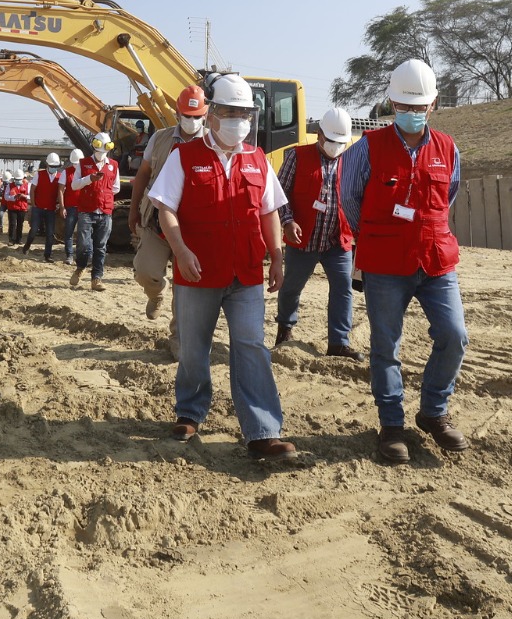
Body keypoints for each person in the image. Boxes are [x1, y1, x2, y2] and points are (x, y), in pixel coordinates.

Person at [147, 74, 296, 460]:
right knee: (194, 349)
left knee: (251, 347)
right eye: (230, 112)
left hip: (245, 273)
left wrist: (277, 256)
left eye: (244, 113)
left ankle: (263, 431)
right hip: (198, 273)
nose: (238, 120)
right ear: (212, 115)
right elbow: (165, 209)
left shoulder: (258, 159)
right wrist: (179, 250)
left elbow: (270, 212)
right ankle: (190, 411)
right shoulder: (184, 157)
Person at [339, 59, 470, 466]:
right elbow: (349, 199)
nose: (412, 114)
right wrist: (378, 236)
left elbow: (447, 195)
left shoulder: (447, 148)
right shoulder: (366, 148)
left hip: (435, 260)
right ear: (391, 103)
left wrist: (423, 229)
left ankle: (433, 412)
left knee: (454, 335)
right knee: (386, 347)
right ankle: (391, 425)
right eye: (404, 106)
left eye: (419, 108)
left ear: (432, 107)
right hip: (385, 266)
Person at [274, 107, 360, 359]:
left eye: (341, 142)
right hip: (303, 239)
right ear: (320, 134)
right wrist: (287, 221)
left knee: (343, 287)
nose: (336, 146)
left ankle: (339, 342)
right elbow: (280, 194)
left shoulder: (352, 161)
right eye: (332, 141)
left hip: (337, 239)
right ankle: (285, 329)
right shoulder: (296, 156)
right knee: (291, 286)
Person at [129, 84, 208, 335]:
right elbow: (142, 175)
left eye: (197, 117)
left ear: (205, 115)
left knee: (185, 286)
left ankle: (178, 337)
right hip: (156, 220)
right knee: (145, 272)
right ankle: (155, 294)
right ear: (178, 112)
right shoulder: (160, 138)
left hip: (193, 227)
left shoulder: (211, 142)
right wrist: (132, 211)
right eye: (187, 116)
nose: (192, 121)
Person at [69, 134, 119, 291]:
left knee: (100, 247)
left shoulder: (113, 165)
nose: (101, 155)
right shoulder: (83, 164)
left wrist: (104, 194)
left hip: (105, 211)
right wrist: (89, 179)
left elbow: (116, 187)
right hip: (86, 211)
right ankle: (81, 267)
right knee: (83, 245)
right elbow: (74, 185)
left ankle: (96, 278)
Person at [24, 152, 63, 260]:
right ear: (47, 165)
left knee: (50, 233)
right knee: (33, 230)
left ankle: (47, 255)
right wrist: (33, 203)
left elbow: (61, 192)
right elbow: (32, 189)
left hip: (50, 209)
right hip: (38, 208)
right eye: (52, 166)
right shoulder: (39, 175)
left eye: (55, 167)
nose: (53, 168)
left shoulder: (60, 177)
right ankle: (27, 246)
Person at [61, 149, 84, 263]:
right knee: (69, 233)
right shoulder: (66, 173)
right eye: (75, 163)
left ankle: (81, 257)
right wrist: (62, 206)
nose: (76, 165)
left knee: (83, 234)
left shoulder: (86, 172)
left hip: (84, 208)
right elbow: (60, 190)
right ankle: (69, 256)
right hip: (70, 207)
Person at [4, 169, 29, 243]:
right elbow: (6, 196)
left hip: (22, 208)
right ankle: (11, 239)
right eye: (16, 179)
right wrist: (13, 197)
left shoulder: (27, 186)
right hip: (12, 208)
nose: (18, 181)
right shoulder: (10, 186)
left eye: (19, 179)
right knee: (12, 224)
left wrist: (24, 196)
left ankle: (19, 239)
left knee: (20, 224)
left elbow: (30, 196)